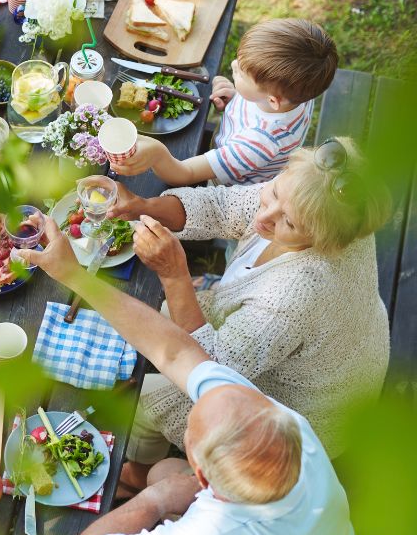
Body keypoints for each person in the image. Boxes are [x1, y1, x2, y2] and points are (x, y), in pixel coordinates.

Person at [14, 221, 361, 535]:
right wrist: (73, 274)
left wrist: (156, 501)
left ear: (203, 476)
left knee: (161, 484)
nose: (206, 391)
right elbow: (177, 353)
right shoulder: (293, 433)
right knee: (163, 471)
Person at [107, 139, 390, 490]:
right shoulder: (325, 204)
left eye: (288, 223)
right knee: (154, 314)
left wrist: (174, 274)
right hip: (332, 352)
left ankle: (136, 475)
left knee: (144, 402)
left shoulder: (296, 292)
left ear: (323, 239)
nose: (264, 216)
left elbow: (212, 369)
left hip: (300, 418)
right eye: (275, 193)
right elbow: (223, 207)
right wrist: (144, 206)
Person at [111, 19, 338, 186]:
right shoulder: (298, 91)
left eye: (241, 73)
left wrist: (159, 153)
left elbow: (185, 174)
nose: (232, 65)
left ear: (272, 100)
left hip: (228, 184)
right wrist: (236, 97)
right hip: (234, 147)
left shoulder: (258, 144)